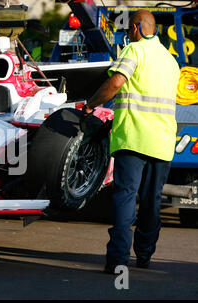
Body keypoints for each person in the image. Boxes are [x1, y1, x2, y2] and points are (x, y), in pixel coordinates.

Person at [82, 10, 180, 273]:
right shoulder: (172, 62)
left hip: (134, 139)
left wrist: (91, 105)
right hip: (162, 141)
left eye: (128, 30)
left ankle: (117, 259)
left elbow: (115, 83)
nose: (127, 34)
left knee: (125, 197)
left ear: (137, 28)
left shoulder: (134, 51)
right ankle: (145, 256)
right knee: (151, 201)